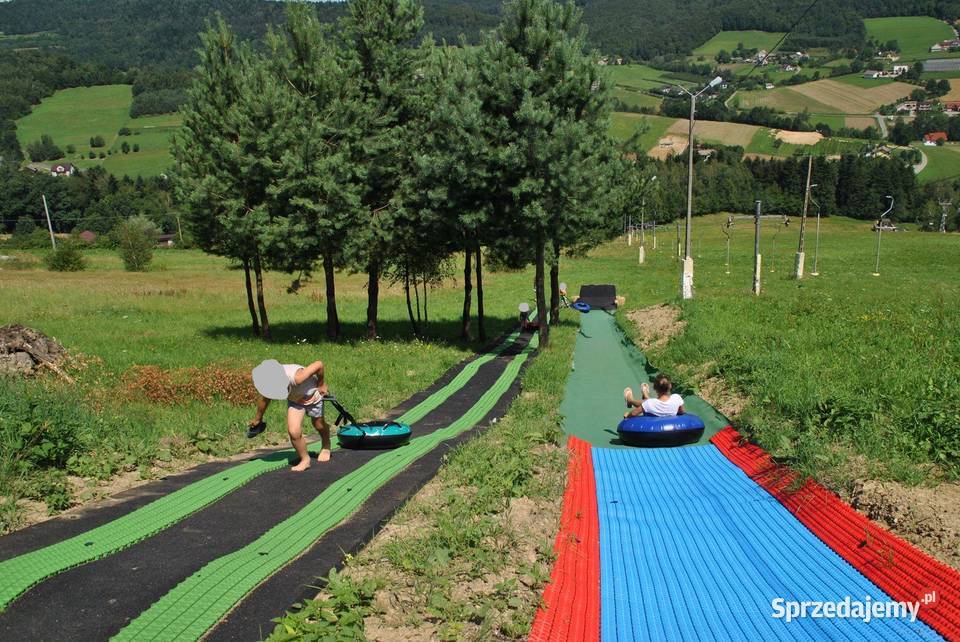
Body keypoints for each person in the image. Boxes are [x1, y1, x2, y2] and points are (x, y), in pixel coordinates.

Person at [249, 359, 330, 471]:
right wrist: (258, 418)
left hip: (313, 396)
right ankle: (305, 459)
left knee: (319, 425)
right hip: (295, 401)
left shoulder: (297, 377)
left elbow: (319, 364)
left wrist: (321, 384)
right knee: (293, 431)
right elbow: (264, 400)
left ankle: (326, 445)